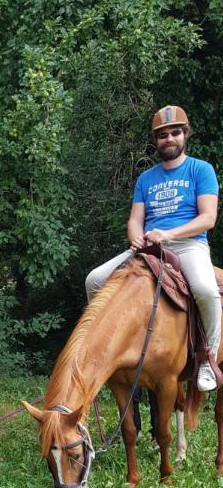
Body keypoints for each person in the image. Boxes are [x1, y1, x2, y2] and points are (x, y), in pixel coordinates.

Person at [85, 105, 220, 392]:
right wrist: (136, 238)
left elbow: (208, 218)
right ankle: (102, 349)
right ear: (155, 141)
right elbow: (135, 220)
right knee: (94, 280)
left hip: (187, 245)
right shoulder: (146, 179)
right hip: (148, 247)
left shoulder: (201, 169)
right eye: (162, 135)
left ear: (185, 135)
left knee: (207, 290)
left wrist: (169, 234)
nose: (169, 139)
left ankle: (208, 358)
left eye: (175, 133)